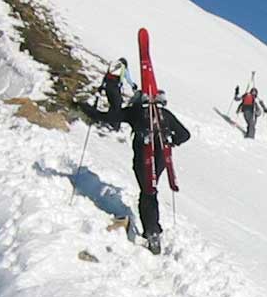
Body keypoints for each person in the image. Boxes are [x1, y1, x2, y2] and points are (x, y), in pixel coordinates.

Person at [80, 86, 190, 254]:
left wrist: (89, 110)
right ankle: (153, 228)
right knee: (150, 190)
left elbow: (110, 117)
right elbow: (185, 134)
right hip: (161, 159)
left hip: (143, 158)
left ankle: (152, 230)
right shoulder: (164, 115)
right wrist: (171, 141)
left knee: (147, 192)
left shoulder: (135, 112)